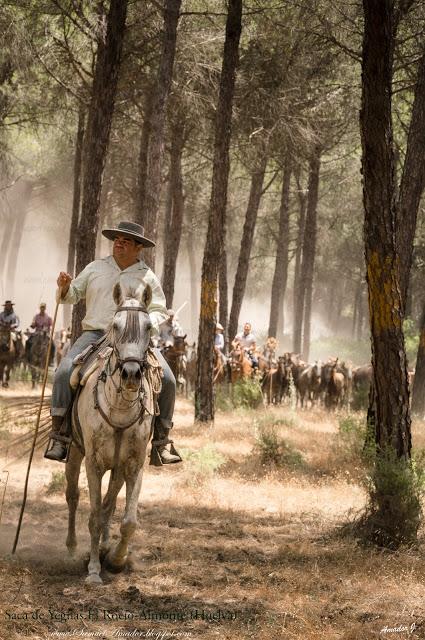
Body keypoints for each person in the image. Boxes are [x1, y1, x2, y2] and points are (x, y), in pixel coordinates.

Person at [45, 220, 182, 466]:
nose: (119, 243)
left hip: (134, 339)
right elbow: (73, 295)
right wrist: (64, 288)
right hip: (95, 334)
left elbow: (160, 309)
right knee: (64, 371)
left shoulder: (146, 276)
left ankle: (162, 442)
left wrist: (142, 322)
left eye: (126, 240)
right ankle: (60, 435)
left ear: (138, 247)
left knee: (169, 380)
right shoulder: (96, 268)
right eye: (117, 239)